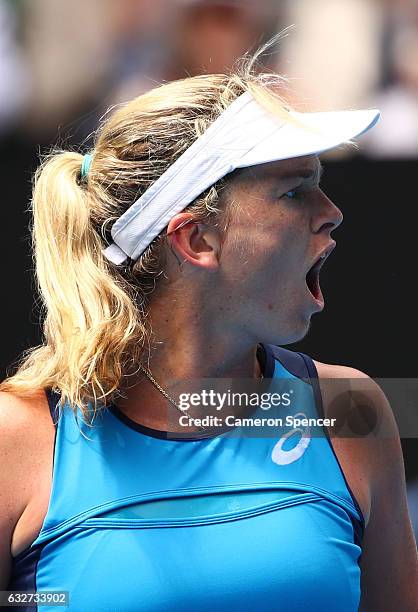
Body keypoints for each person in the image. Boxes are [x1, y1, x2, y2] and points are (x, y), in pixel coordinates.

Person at [1, 41, 417, 611]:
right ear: (197, 239)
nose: (332, 211)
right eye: (293, 191)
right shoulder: (17, 438)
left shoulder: (351, 410)